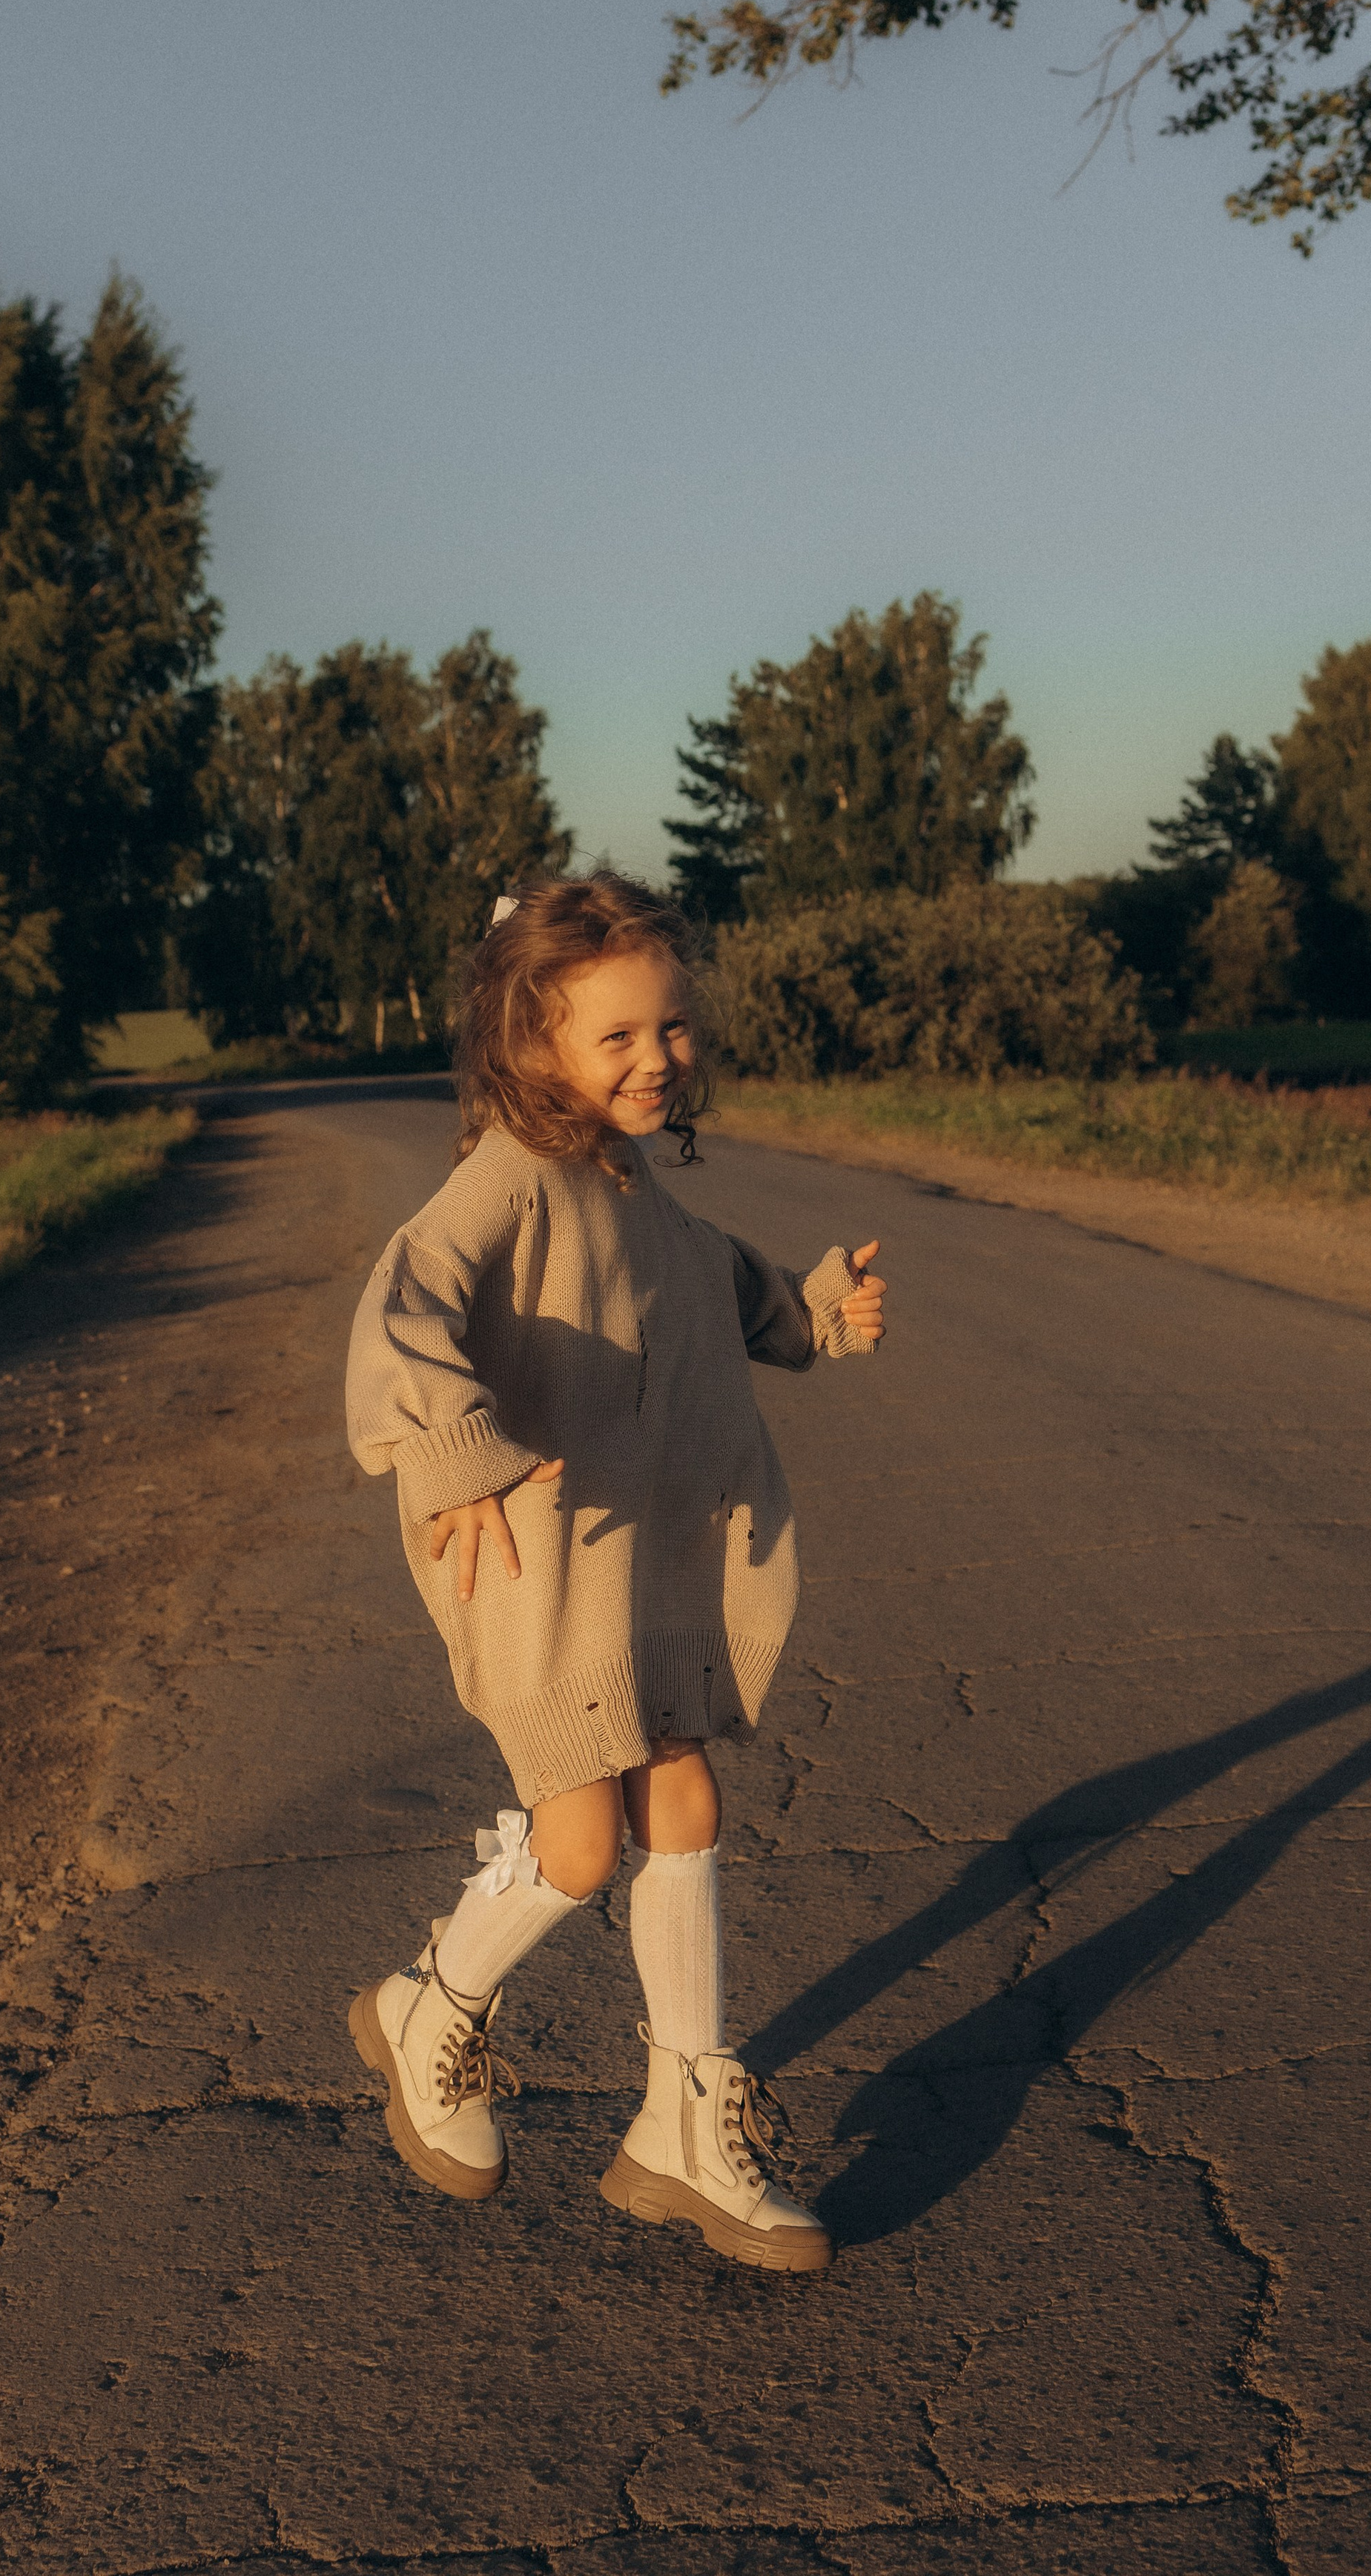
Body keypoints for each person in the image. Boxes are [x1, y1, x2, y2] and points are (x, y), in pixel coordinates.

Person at [344, 873, 887, 2272]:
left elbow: (714, 1279)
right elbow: (403, 1300)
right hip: (538, 1563)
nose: (661, 1059)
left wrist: (814, 1311)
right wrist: (452, 1449)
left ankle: (682, 2129)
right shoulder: (507, 1182)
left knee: (685, 1791)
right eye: (621, 1039)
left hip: (635, 1564)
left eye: (674, 1030)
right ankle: (430, 2005)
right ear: (535, 1047)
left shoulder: (626, 1184)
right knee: (580, 1848)